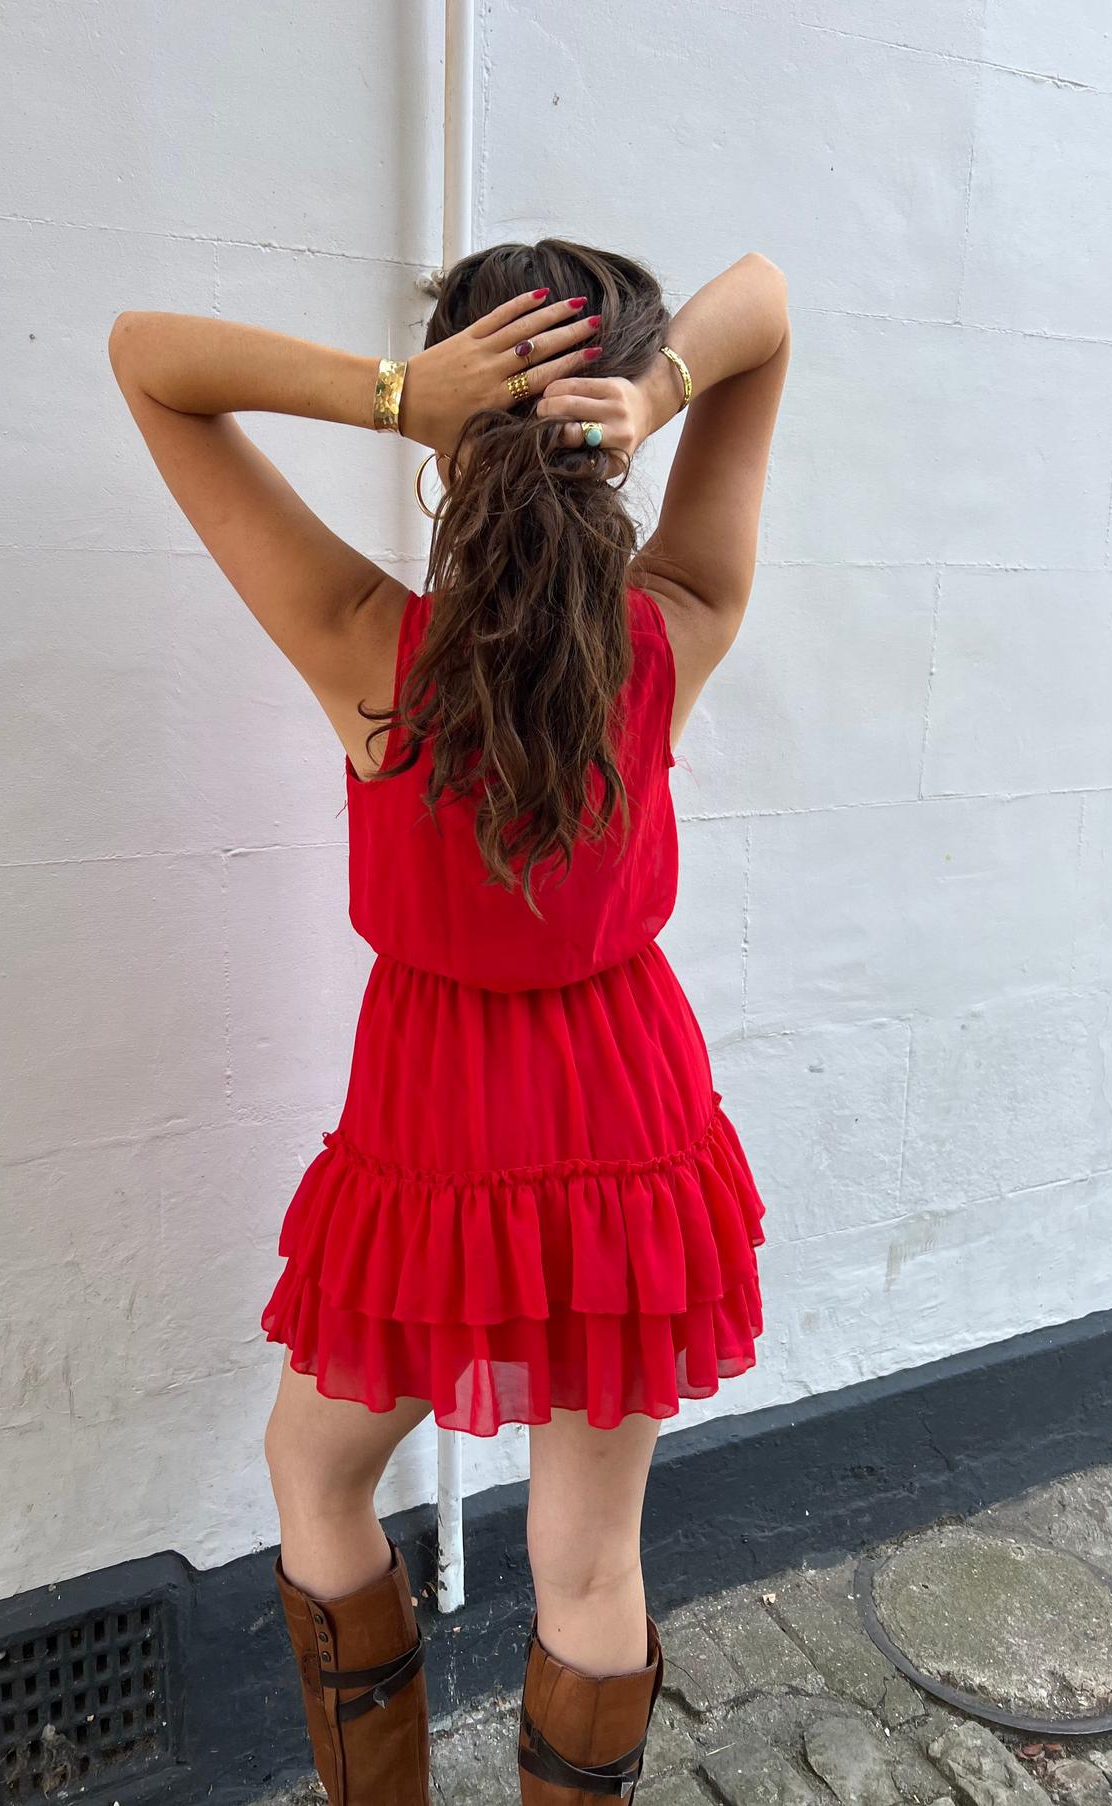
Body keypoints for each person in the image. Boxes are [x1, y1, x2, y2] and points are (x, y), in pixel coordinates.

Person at [108, 238, 789, 1806]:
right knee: (586, 1554)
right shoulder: (672, 632)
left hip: (436, 1117)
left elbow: (150, 354)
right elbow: (767, 302)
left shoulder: (369, 651)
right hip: (628, 1118)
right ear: (614, 437)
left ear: (455, 444)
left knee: (316, 1468)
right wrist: (659, 390)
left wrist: (395, 397)